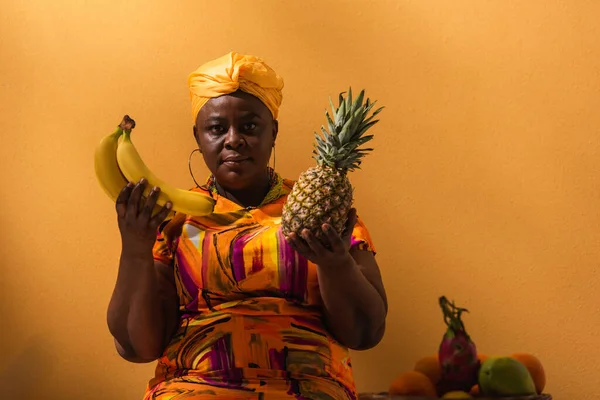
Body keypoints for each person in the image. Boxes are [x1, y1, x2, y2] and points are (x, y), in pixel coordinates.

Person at [106, 51, 388, 400]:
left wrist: (336, 262)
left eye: (250, 126)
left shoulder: (322, 212)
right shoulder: (175, 221)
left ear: (274, 132)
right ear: (198, 136)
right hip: (193, 388)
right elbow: (136, 346)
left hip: (309, 388)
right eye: (216, 128)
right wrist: (135, 248)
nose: (233, 139)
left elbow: (366, 333)